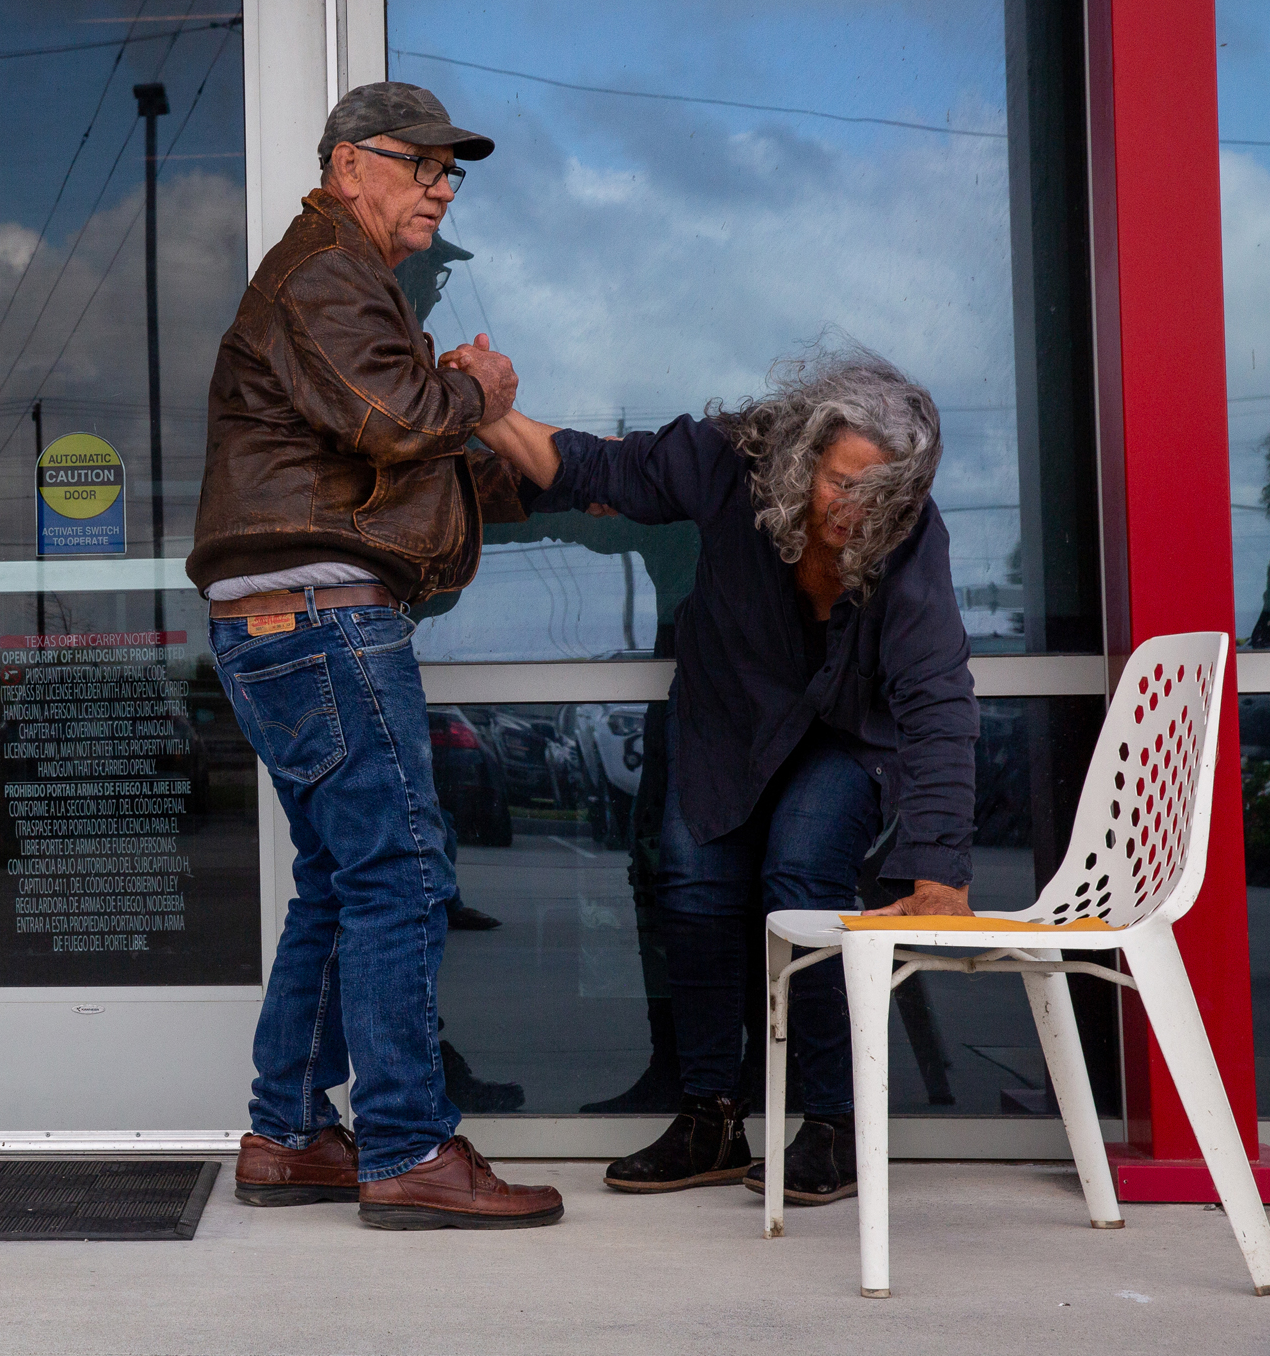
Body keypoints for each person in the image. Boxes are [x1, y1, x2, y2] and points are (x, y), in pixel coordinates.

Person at [456, 343, 976, 1205]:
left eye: (880, 493)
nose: (854, 509)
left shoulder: (910, 537)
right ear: (804, 452)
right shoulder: (728, 459)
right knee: (692, 890)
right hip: (726, 717)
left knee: (801, 873)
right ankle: (711, 1118)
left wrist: (942, 874)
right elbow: (593, 466)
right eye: (841, 481)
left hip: (843, 734)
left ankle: (837, 1127)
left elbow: (938, 698)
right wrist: (490, 412)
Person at [189, 80, 563, 1230]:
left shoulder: (343, 283)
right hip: (319, 617)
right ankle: (405, 1144)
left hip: (288, 618)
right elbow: (400, 420)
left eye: (454, 170)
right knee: (401, 874)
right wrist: (482, 387)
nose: (443, 185)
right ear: (350, 164)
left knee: (343, 883)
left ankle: (292, 1133)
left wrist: (558, 476)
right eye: (423, 163)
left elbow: (394, 454)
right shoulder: (328, 273)